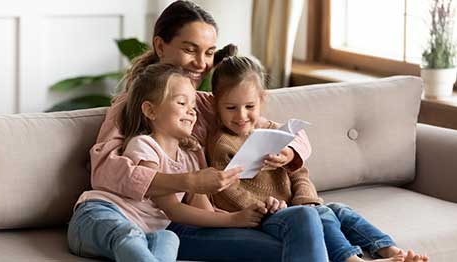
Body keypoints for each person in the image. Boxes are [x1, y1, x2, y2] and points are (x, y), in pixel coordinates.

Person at [80, 1, 329, 261]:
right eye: (190, 50)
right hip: (162, 221)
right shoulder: (130, 106)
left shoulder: (208, 104)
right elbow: (105, 171)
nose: (201, 63)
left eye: (209, 53)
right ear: (160, 46)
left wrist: (288, 152)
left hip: (201, 214)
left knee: (313, 220)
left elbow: (284, 131)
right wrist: (189, 182)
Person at [206, 55, 429, 262]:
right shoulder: (222, 143)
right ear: (217, 105)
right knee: (321, 214)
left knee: (340, 210)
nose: (241, 115)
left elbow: (299, 172)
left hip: (295, 208)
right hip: (263, 217)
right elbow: (226, 191)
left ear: (262, 100)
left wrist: (305, 199)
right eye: (231, 108)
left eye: (249, 106)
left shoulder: (275, 132)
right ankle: (351, 260)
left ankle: (391, 251)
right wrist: (264, 207)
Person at [68, 63, 270, 261]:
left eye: (193, 106)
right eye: (182, 103)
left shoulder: (190, 157)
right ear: (150, 110)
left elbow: (205, 212)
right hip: (99, 216)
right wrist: (234, 219)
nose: (192, 112)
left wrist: (247, 212)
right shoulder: (145, 145)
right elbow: (172, 209)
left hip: (147, 233)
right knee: (128, 236)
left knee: (168, 238)